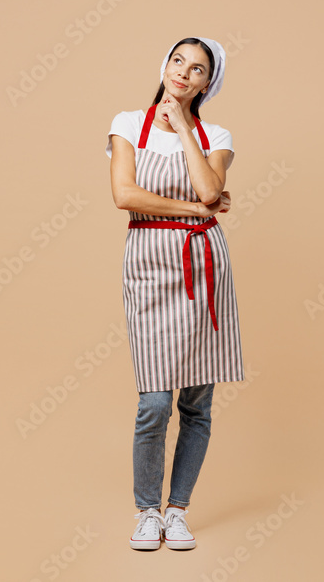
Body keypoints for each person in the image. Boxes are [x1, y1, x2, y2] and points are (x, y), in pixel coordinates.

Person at [105, 37, 245, 551]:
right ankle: (147, 510)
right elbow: (125, 195)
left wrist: (184, 125)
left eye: (198, 69)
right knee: (155, 402)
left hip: (204, 268)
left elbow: (209, 186)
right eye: (178, 61)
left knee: (197, 403)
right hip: (149, 267)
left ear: (208, 83)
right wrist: (196, 211)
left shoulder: (215, 136)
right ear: (165, 65)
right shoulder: (127, 125)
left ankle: (177, 510)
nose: (184, 72)